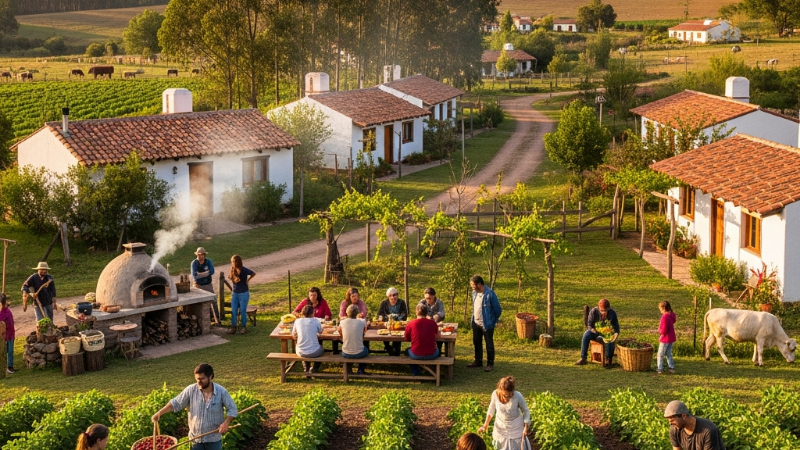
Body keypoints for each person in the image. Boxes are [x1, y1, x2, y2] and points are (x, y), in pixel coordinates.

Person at [153, 364, 238, 450]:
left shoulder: (221, 392)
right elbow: (175, 403)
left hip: (214, 440)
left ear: (210, 376)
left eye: (202, 378)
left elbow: (232, 409)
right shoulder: (191, 390)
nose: (199, 382)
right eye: (197, 379)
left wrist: (226, 423)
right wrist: (159, 413)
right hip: (195, 441)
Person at [477, 376, 531, 450]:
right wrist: (485, 425)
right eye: (505, 395)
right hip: (501, 426)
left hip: (516, 426)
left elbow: (526, 410)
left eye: (510, 395)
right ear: (499, 390)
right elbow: (491, 409)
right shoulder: (495, 394)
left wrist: (526, 427)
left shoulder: (518, 396)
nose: (508, 397)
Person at [468, 275, 502, 372]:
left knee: (489, 344)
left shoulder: (490, 294)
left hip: (487, 324)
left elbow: (498, 310)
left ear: (479, 284)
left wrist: (492, 320)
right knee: (477, 342)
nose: (472, 287)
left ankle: (490, 364)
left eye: (473, 285)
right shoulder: (474, 293)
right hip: (476, 322)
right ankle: (478, 361)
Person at [575, 298, 619, 368]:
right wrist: (592, 330)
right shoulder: (593, 311)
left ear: (608, 308)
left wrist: (616, 333)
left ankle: (608, 359)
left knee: (611, 339)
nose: (604, 312)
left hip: (607, 332)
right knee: (586, 335)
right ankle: (583, 358)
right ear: (599, 308)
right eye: (602, 311)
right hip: (595, 331)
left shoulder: (612, 313)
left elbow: (616, 326)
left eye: (605, 310)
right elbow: (589, 325)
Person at [405, 303, 440, 376]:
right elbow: (437, 335)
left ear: (416, 312)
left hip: (415, 354)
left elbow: (407, 338)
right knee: (438, 350)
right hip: (432, 354)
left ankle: (416, 371)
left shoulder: (410, 323)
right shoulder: (433, 323)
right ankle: (433, 369)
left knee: (406, 351)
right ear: (427, 313)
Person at [228, 255, 255, 335]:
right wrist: (234, 279)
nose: (234, 263)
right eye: (232, 261)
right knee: (234, 311)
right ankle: (234, 327)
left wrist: (248, 280)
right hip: (235, 293)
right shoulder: (232, 270)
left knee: (243, 310)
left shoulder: (244, 270)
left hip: (243, 293)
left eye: (235, 261)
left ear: (238, 262)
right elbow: (230, 277)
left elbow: (253, 273)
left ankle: (244, 327)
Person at [335, 287, 367, 354]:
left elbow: (364, 315)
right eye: (353, 296)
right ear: (349, 297)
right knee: (366, 349)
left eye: (356, 296)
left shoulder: (361, 303)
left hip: (357, 325)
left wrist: (360, 316)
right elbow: (341, 316)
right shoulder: (344, 303)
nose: (355, 298)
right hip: (348, 324)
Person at [293, 304, 324, 375]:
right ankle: (314, 369)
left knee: (303, 347)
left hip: (300, 351)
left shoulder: (297, 321)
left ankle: (306, 368)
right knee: (322, 349)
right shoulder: (315, 321)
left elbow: (294, 334)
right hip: (314, 352)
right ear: (312, 313)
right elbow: (320, 331)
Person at [339, 304, 368, 375]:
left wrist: (342, 337)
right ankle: (360, 369)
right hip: (359, 353)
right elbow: (365, 331)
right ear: (357, 313)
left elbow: (339, 330)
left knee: (349, 348)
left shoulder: (342, 322)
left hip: (345, 353)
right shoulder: (362, 321)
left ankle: (349, 369)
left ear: (347, 312)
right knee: (366, 349)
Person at [378, 287, 408, 356]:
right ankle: (388, 347)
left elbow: (404, 315)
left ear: (397, 295)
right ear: (388, 296)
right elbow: (379, 314)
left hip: (398, 325)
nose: (393, 297)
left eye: (395, 295)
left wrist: (395, 318)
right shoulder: (384, 303)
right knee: (384, 336)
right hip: (387, 325)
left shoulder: (402, 302)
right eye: (390, 295)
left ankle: (396, 354)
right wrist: (387, 319)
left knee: (397, 340)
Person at [191, 247, 218, 323]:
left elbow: (212, 271)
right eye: (198, 255)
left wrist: (200, 274)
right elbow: (195, 276)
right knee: (198, 303)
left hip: (208, 284)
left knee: (213, 301)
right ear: (196, 255)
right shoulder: (194, 263)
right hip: (198, 285)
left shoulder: (208, 261)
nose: (200, 256)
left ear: (204, 255)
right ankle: (199, 320)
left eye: (202, 255)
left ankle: (217, 319)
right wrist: (206, 273)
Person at [418, 287, 446, 355]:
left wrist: (436, 316)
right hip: (424, 326)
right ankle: (424, 352)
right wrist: (426, 316)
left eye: (430, 298)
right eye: (426, 298)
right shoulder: (422, 302)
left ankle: (438, 352)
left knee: (439, 338)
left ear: (434, 296)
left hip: (436, 325)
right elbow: (418, 313)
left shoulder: (439, 302)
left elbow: (442, 313)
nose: (428, 300)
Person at [658, 300, 677, 375]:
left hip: (665, 338)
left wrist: (660, 331)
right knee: (668, 353)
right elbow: (673, 321)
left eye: (660, 309)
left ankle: (660, 368)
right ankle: (671, 367)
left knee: (660, 354)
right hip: (671, 337)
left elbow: (664, 329)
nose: (660, 311)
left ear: (664, 308)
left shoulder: (664, 317)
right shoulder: (671, 315)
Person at [0, 293, 15, 374]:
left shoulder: (7, 310)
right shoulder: (2, 312)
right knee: (5, 351)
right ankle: (6, 366)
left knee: (10, 351)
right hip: (4, 335)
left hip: (10, 334)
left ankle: (10, 366)